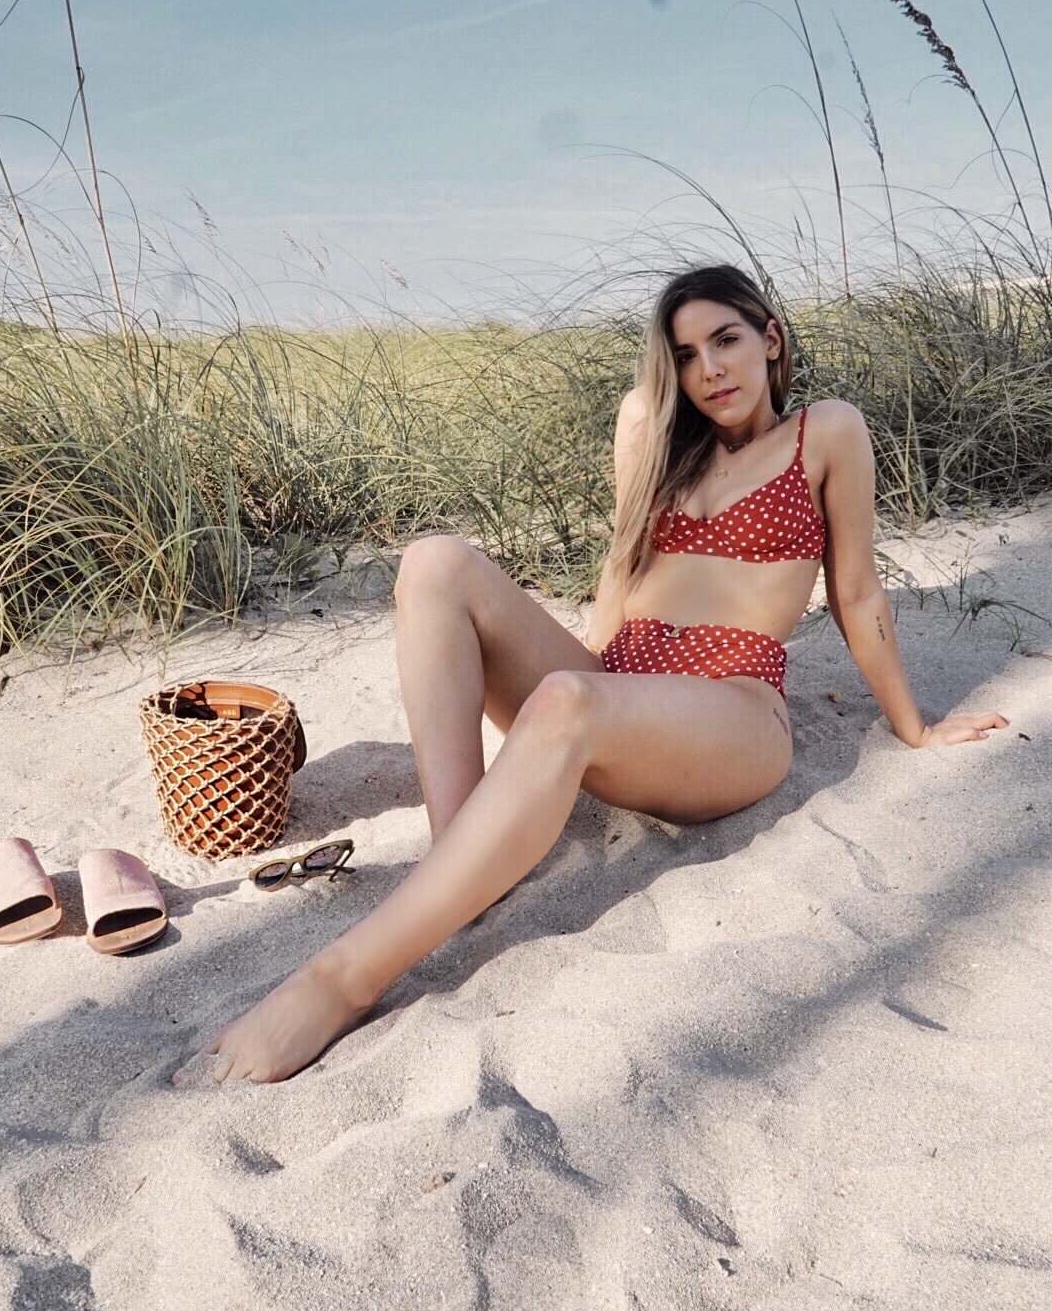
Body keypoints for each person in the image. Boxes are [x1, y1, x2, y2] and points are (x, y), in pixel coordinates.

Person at [187, 264, 1007, 1084]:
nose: (709, 369)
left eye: (726, 340)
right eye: (685, 354)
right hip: (616, 692)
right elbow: (621, 570)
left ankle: (340, 980)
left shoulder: (824, 433)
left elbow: (857, 592)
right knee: (436, 562)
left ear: (771, 340)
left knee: (569, 699)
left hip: (733, 713)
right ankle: (462, 855)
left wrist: (916, 727)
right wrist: (575, 679)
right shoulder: (652, 424)